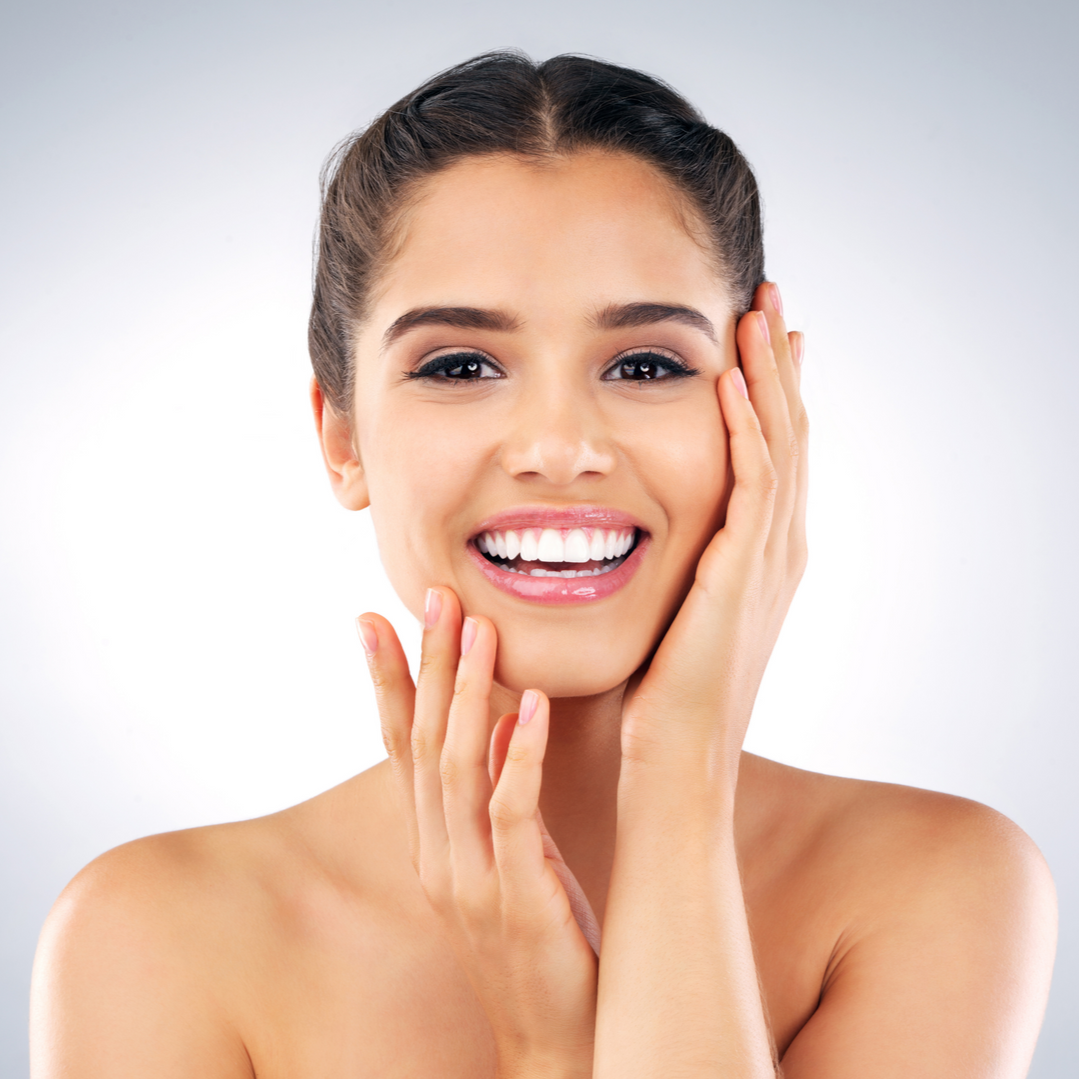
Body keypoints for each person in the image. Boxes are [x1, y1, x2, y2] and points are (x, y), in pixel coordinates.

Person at [29, 51, 1057, 1078]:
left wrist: (675, 785)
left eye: (645, 363)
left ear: (765, 406)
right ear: (342, 437)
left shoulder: (937, 883)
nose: (559, 448)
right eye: (459, 364)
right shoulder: (152, 937)